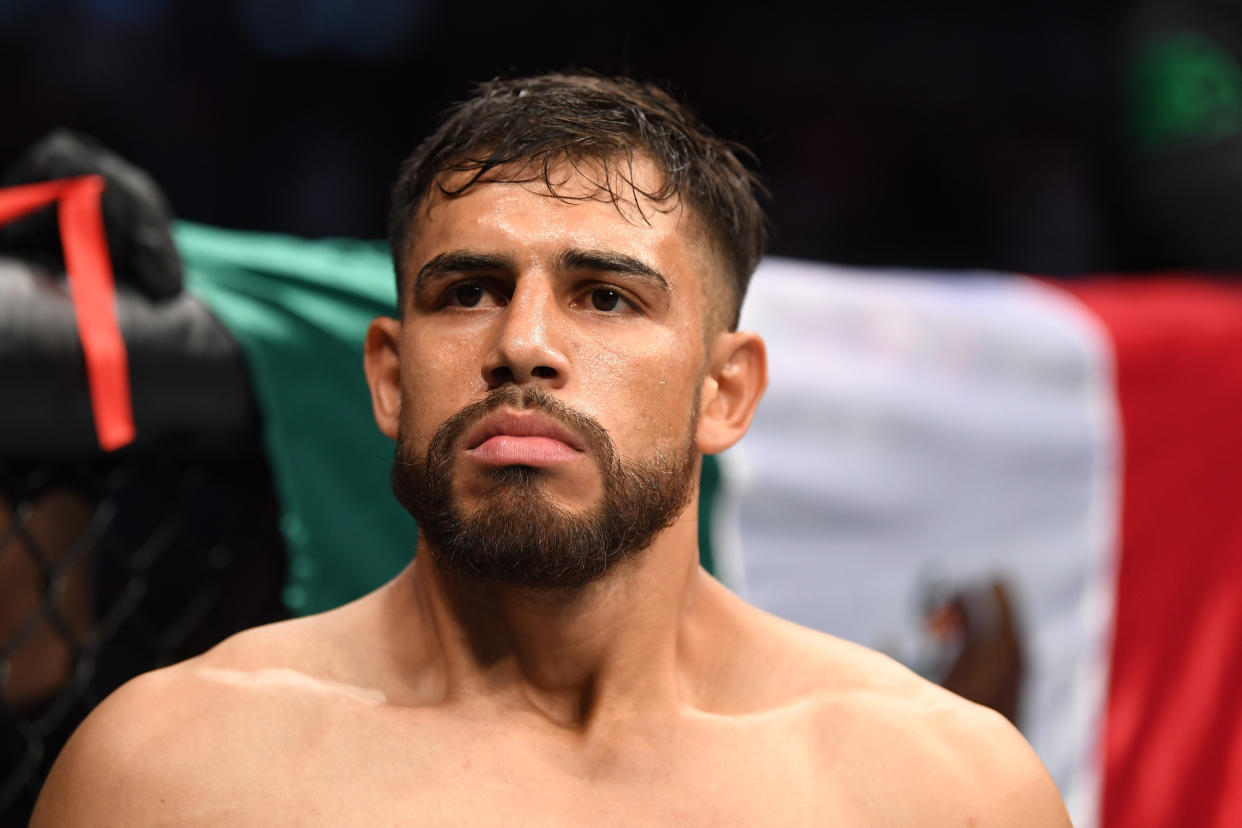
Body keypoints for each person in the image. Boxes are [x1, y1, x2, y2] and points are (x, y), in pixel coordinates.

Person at [31, 73, 1071, 826]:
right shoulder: (174, 772)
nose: (522, 344)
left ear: (724, 392)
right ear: (390, 378)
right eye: (468, 292)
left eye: (606, 296)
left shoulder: (940, 789)